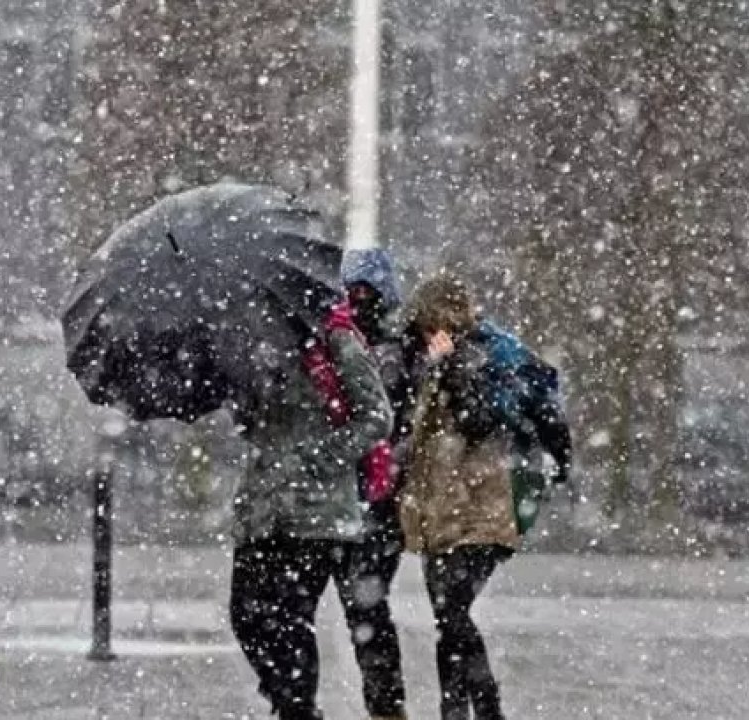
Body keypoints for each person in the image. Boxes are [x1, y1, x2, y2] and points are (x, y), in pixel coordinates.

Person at [396, 274, 571, 720]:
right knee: (447, 618)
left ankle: (483, 708)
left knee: (452, 611)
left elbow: (478, 421)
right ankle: (456, 711)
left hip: (482, 507)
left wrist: (450, 368)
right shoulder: (434, 357)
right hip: (442, 508)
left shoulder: (478, 355)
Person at [229, 296, 394, 720]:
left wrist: (320, 457)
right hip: (263, 508)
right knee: (246, 614)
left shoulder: (335, 339)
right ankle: (291, 703)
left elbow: (376, 416)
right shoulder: (255, 343)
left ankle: (297, 709)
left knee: (290, 619)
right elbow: (258, 424)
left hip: (316, 512)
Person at [332, 248, 408, 720]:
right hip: (364, 498)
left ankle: (385, 705)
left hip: (369, 498)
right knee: (365, 609)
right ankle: (385, 705)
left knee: (365, 608)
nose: (360, 301)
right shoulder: (362, 345)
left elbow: (389, 422)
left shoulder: (372, 349)